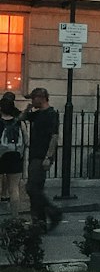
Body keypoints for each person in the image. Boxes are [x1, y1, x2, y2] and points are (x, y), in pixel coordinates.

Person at [23, 87, 62, 232]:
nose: (32, 101)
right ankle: (39, 222)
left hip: (42, 156)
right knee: (35, 190)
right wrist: (28, 108)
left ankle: (53, 212)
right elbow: (21, 118)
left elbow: (54, 137)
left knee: (32, 188)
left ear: (41, 97)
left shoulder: (51, 114)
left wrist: (48, 157)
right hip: (34, 155)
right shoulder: (37, 114)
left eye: (33, 98)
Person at [0, 91, 28, 219]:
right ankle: (15, 217)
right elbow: (26, 140)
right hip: (15, 157)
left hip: (1, 155)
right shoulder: (19, 121)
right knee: (14, 188)